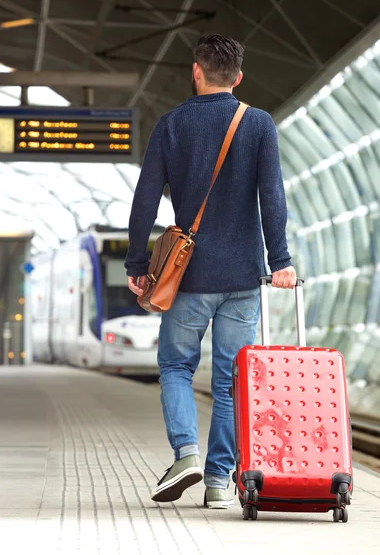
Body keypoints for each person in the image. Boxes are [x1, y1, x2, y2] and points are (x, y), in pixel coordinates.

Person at [125, 34, 296, 509]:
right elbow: (272, 198)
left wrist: (138, 263)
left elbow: (143, 199)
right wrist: (279, 261)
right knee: (230, 378)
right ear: (238, 78)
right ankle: (220, 481)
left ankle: (187, 453)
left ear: (196, 72)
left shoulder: (171, 125)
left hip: (187, 277)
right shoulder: (259, 123)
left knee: (177, 365)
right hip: (243, 276)